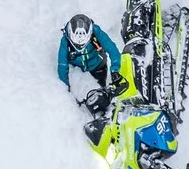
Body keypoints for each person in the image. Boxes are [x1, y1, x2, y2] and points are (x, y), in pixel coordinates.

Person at [57, 13, 134, 146]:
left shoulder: (96, 32)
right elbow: (62, 66)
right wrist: (66, 89)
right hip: (80, 70)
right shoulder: (65, 42)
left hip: (98, 66)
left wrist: (115, 70)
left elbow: (112, 49)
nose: (80, 47)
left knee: (104, 97)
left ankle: (110, 124)